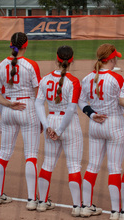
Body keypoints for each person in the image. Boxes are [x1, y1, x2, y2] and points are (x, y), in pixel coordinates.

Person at [0, 32, 41, 208]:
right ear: (26, 45)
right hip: (28, 108)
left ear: (11, 45)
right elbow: (38, 94)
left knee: (3, 153)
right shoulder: (31, 65)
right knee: (31, 155)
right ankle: (32, 200)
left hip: (9, 109)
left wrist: (9, 104)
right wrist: (41, 118)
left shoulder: (1, 65)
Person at [35, 46, 82, 216]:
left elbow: (38, 104)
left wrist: (48, 126)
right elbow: (70, 109)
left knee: (47, 163)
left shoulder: (45, 80)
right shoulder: (74, 81)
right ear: (72, 60)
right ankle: (78, 207)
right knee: (74, 165)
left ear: (56, 60)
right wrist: (60, 130)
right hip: (69, 125)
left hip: (51, 121)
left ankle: (41, 202)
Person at [78, 43, 123, 219]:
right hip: (114, 125)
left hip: (95, 124)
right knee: (114, 168)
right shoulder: (117, 78)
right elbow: (121, 103)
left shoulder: (88, 78)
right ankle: (116, 212)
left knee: (92, 166)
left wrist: (92, 114)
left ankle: (86, 206)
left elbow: (81, 102)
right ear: (112, 58)